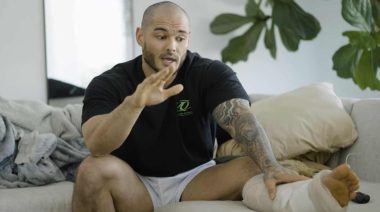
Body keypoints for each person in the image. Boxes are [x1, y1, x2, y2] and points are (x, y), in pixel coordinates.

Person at [72, 1, 359, 212]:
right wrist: (134, 104)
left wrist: (271, 165)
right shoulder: (109, 82)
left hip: (195, 179)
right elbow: (97, 146)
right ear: (140, 36)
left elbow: (240, 116)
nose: (172, 46)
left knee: (253, 165)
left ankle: (317, 197)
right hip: (135, 182)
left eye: (180, 38)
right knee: (91, 170)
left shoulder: (208, 72)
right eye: (161, 36)